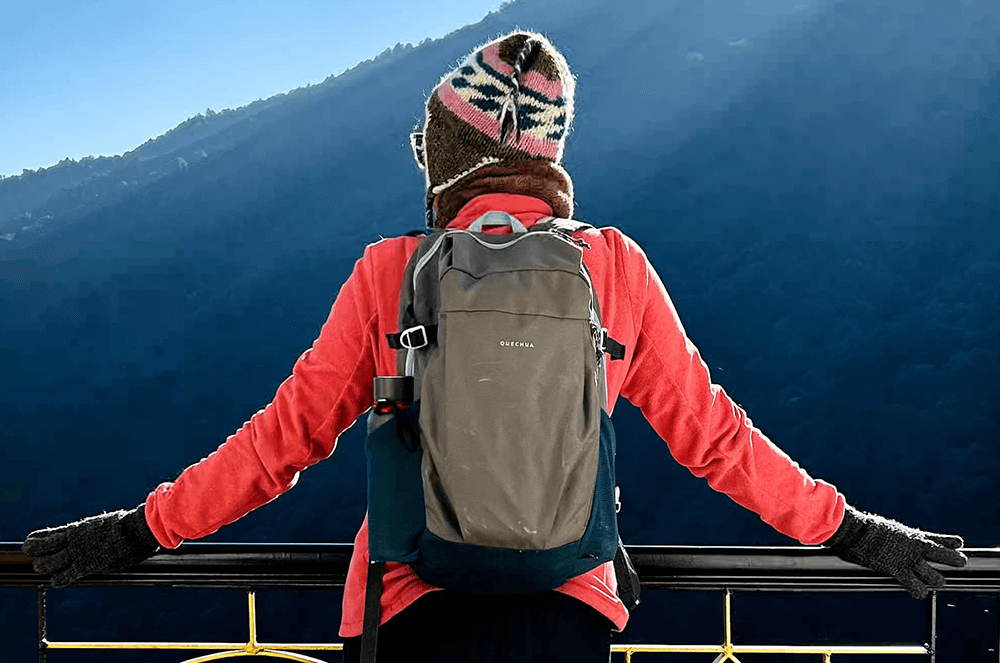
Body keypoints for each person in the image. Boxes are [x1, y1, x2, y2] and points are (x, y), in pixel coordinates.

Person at [23, 30, 967, 663]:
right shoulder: (614, 269)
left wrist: (139, 529)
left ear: (451, 154)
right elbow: (715, 439)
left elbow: (284, 443)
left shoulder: (392, 269)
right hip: (568, 603)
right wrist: (854, 531)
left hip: (408, 608)